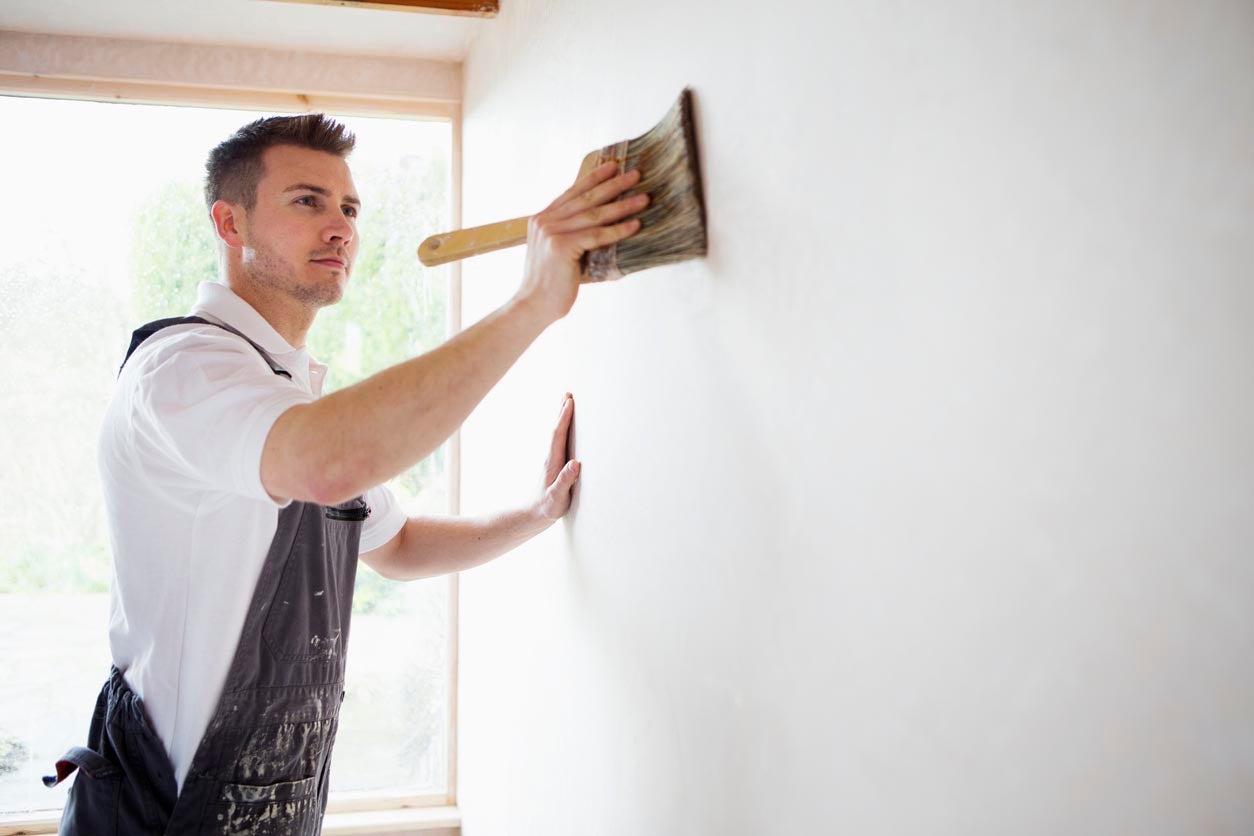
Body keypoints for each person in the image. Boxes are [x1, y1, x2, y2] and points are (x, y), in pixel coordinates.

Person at [45, 113, 648, 834]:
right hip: (159, 819)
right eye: (308, 201)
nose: (340, 228)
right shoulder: (184, 373)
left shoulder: (292, 400)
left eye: (350, 208)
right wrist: (533, 303)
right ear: (229, 223)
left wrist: (539, 513)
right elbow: (330, 465)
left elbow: (400, 545)